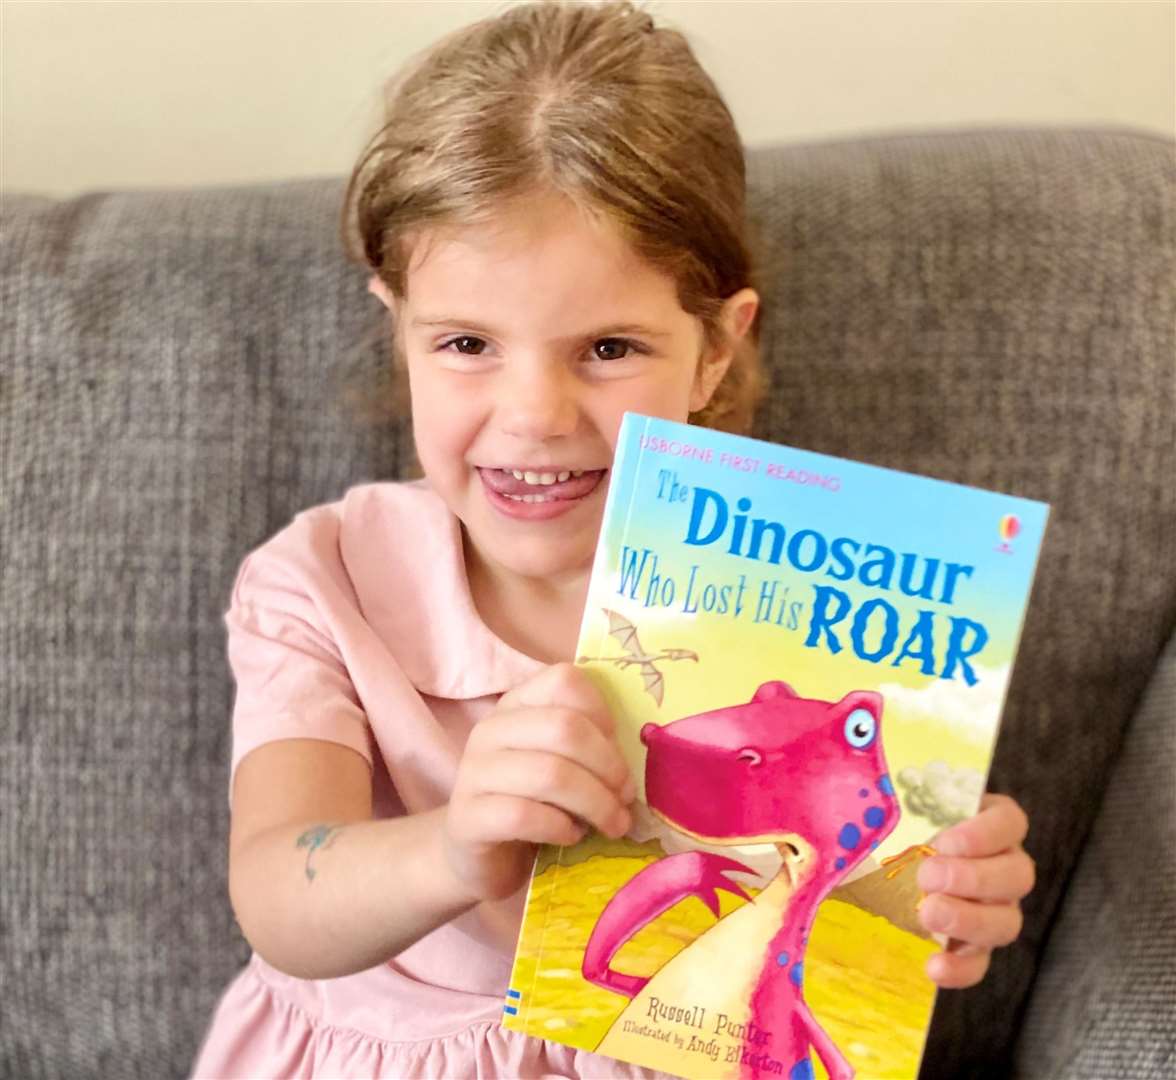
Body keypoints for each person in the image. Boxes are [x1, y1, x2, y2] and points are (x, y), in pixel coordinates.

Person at [191, 2, 1035, 1077]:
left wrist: (948, 884)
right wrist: (452, 849)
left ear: (717, 351)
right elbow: (276, 892)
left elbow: (839, 877)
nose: (534, 414)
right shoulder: (324, 583)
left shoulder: (809, 587)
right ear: (395, 325)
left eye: (607, 346)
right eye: (465, 343)